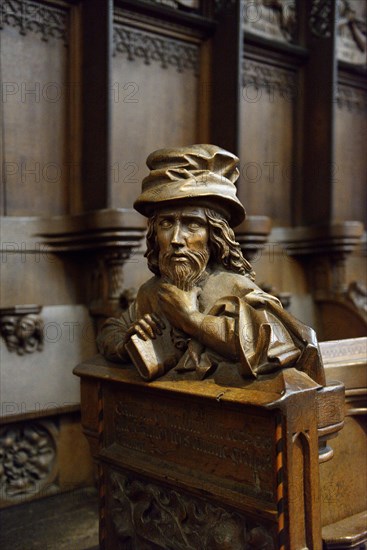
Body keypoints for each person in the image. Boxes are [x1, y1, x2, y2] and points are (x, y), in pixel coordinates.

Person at [97, 144, 325, 385]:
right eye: (166, 224)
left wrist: (191, 319)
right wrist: (128, 342)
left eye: (192, 224)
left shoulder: (234, 286)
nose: (176, 239)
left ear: (213, 235)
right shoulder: (152, 292)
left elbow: (276, 344)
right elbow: (109, 333)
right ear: (155, 234)